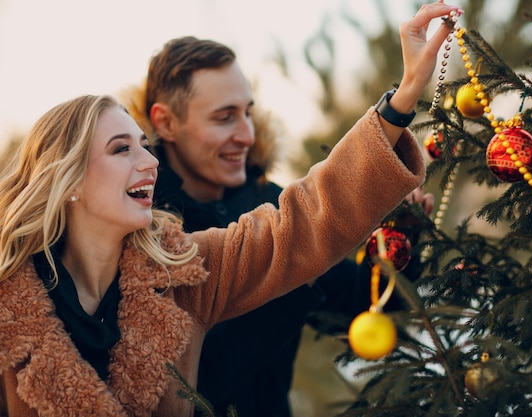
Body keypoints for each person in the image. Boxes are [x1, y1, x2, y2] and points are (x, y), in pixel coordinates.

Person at [0, 3, 461, 417]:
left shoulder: (184, 267)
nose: (245, 133)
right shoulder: (11, 305)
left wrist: (402, 103)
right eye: (122, 148)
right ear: (68, 180)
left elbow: (307, 222)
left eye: (247, 112)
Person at [121, 32, 435, 417]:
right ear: (166, 122)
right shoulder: (139, 224)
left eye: (247, 113)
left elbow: (361, 312)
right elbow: (188, 383)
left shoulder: (270, 202)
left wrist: (398, 245)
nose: (246, 135)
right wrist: (300, 256)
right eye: (224, 118)